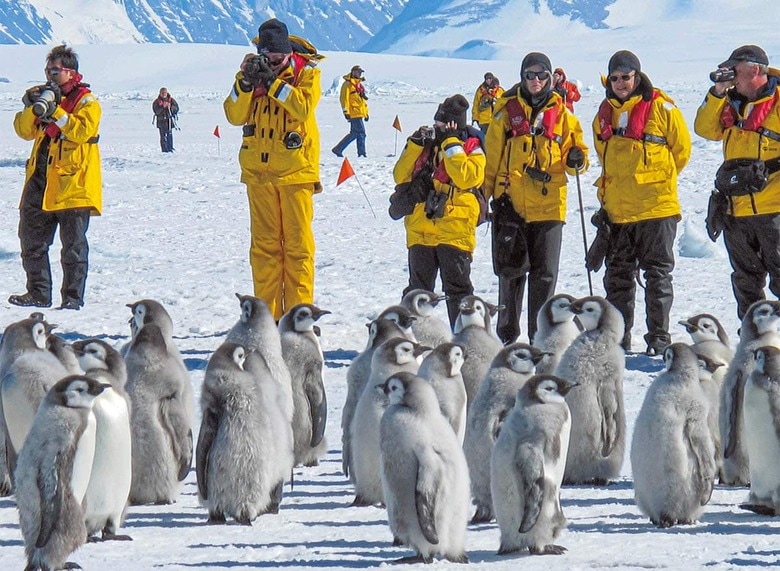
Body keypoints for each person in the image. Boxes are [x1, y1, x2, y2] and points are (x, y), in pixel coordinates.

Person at [484, 52, 589, 345]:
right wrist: (484, 197)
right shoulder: (505, 113)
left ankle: (539, 337)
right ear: (522, 77)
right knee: (510, 273)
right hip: (511, 204)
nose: (536, 80)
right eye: (530, 75)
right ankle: (507, 336)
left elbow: (577, 158)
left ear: (549, 77)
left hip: (549, 206)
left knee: (544, 277)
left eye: (541, 74)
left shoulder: (564, 116)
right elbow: (491, 160)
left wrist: (577, 158)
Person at [591, 50, 691, 355]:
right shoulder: (603, 113)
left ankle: (658, 339)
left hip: (656, 209)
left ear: (637, 76)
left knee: (657, 276)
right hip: (619, 212)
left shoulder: (663, 108)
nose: (621, 83)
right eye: (616, 78)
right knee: (618, 278)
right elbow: (602, 155)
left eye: (626, 76)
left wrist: (653, 180)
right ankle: (618, 340)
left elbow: (682, 151)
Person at [223, 18, 323, 321]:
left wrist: (273, 84)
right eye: (266, 58)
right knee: (264, 250)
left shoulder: (307, 75)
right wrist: (244, 83)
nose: (271, 63)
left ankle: (298, 315)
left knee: (298, 248)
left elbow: (303, 107)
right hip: (259, 174)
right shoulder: (251, 75)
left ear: (287, 54)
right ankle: (266, 315)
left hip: (296, 173)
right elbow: (233, 115)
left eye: (277, 59)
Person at [9, 45, 102, 310]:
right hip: (40, 181)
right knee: (31, 241)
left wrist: (57, 113)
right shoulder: (47, 97)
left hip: (73, 184)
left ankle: (72, 299)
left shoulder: (87, 102)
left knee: (72, 248)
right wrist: (33, 108)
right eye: (48, 70)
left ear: (72, 73)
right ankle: (38, 292)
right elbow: (23, 131)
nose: (51, 76)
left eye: (56, 71)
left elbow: (83, 131)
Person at [694, 45, 780, 321]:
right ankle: (753, 342)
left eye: (736, 69)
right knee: (746, 283)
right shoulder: (730, 104)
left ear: (755, 70)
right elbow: (705, 129)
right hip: (737, 210)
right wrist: (718, 92)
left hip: (774, 209)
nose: (732, 75)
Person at [392, 94, 486, 326]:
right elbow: (400, 175)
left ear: (455, 124)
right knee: (418, 290)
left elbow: (466, 177)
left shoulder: (472, 147)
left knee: (458, 289)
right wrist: (415, 144)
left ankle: (465, 338)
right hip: (421, 229)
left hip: (454, 230)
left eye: (442, 124)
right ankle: (408, 338)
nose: (437, 127)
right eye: (437, 123)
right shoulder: (426, 147)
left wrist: (451, 142)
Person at [332, 65, 368, 158]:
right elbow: (344, 99)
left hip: (359, 112)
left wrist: (366, 113)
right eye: (358, 72)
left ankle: (339, 149)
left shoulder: (359, 85)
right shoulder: (347, 85)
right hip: (353, 113)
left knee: (355, 133)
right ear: (353, 72)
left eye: (360, 72)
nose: (359, 74)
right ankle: (361, 153)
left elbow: (362, 101)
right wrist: (345, 111)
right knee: (361, 133)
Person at [152, 87, 179, 152]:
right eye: (162, 93)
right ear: (160, 93)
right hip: (161, 121)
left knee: (169, 135)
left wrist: (170, 107)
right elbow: (156, 111)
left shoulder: (171, 100)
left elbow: (176, 108)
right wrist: (162, 107)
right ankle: (164, 149)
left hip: (169, 120)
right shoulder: (156, 102)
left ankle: (170, 148)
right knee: (163, 136)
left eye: (165, 93)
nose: (164, 94)